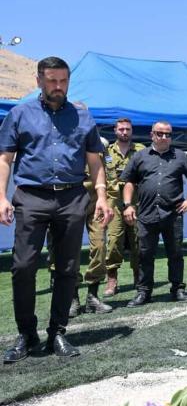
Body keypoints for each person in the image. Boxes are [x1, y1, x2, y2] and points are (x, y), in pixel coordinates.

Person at [0, 56, 112, 362]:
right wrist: (1, 197)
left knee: (67, 268)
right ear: (38, 81)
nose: (58, 87)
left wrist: (101, 196)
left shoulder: (83, 117)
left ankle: (58, 332)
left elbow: (94, 161)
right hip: (31, 197)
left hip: (72, 198)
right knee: (23, 267)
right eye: (52, 81)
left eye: (63, 81)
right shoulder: (20, 114)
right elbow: (5, 159)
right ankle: (26, 334)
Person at [121, 120, 187, 306]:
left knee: (176, 254)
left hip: (172, 215)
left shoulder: (180, 156)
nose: (164, 137)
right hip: (146, 215)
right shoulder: (140, 156)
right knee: (144, 255)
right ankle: (144, 292)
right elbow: (129, 181)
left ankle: (177, 288)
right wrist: (128, 205)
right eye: (160, 133)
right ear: (152, 135)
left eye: (168, 134)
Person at [47, 136, 114, 318]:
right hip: (70, 201)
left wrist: (109, 201)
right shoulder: (58, 143)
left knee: (100, 247)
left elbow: (109, 172)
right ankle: (73, 297)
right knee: (69, 251)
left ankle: (93, 296)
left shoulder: (101, 143)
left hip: (95, 202)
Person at [104, 118, 146, 296]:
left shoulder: (141, 150)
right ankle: (112, 280)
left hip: (135, 203)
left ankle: (139, 277)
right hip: (113, 203)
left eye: (127, 129)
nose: (124, 132)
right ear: (115, 130)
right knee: (114, 241)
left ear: (132, 131)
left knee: (137, 240)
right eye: (121, 129)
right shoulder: (106, 151)